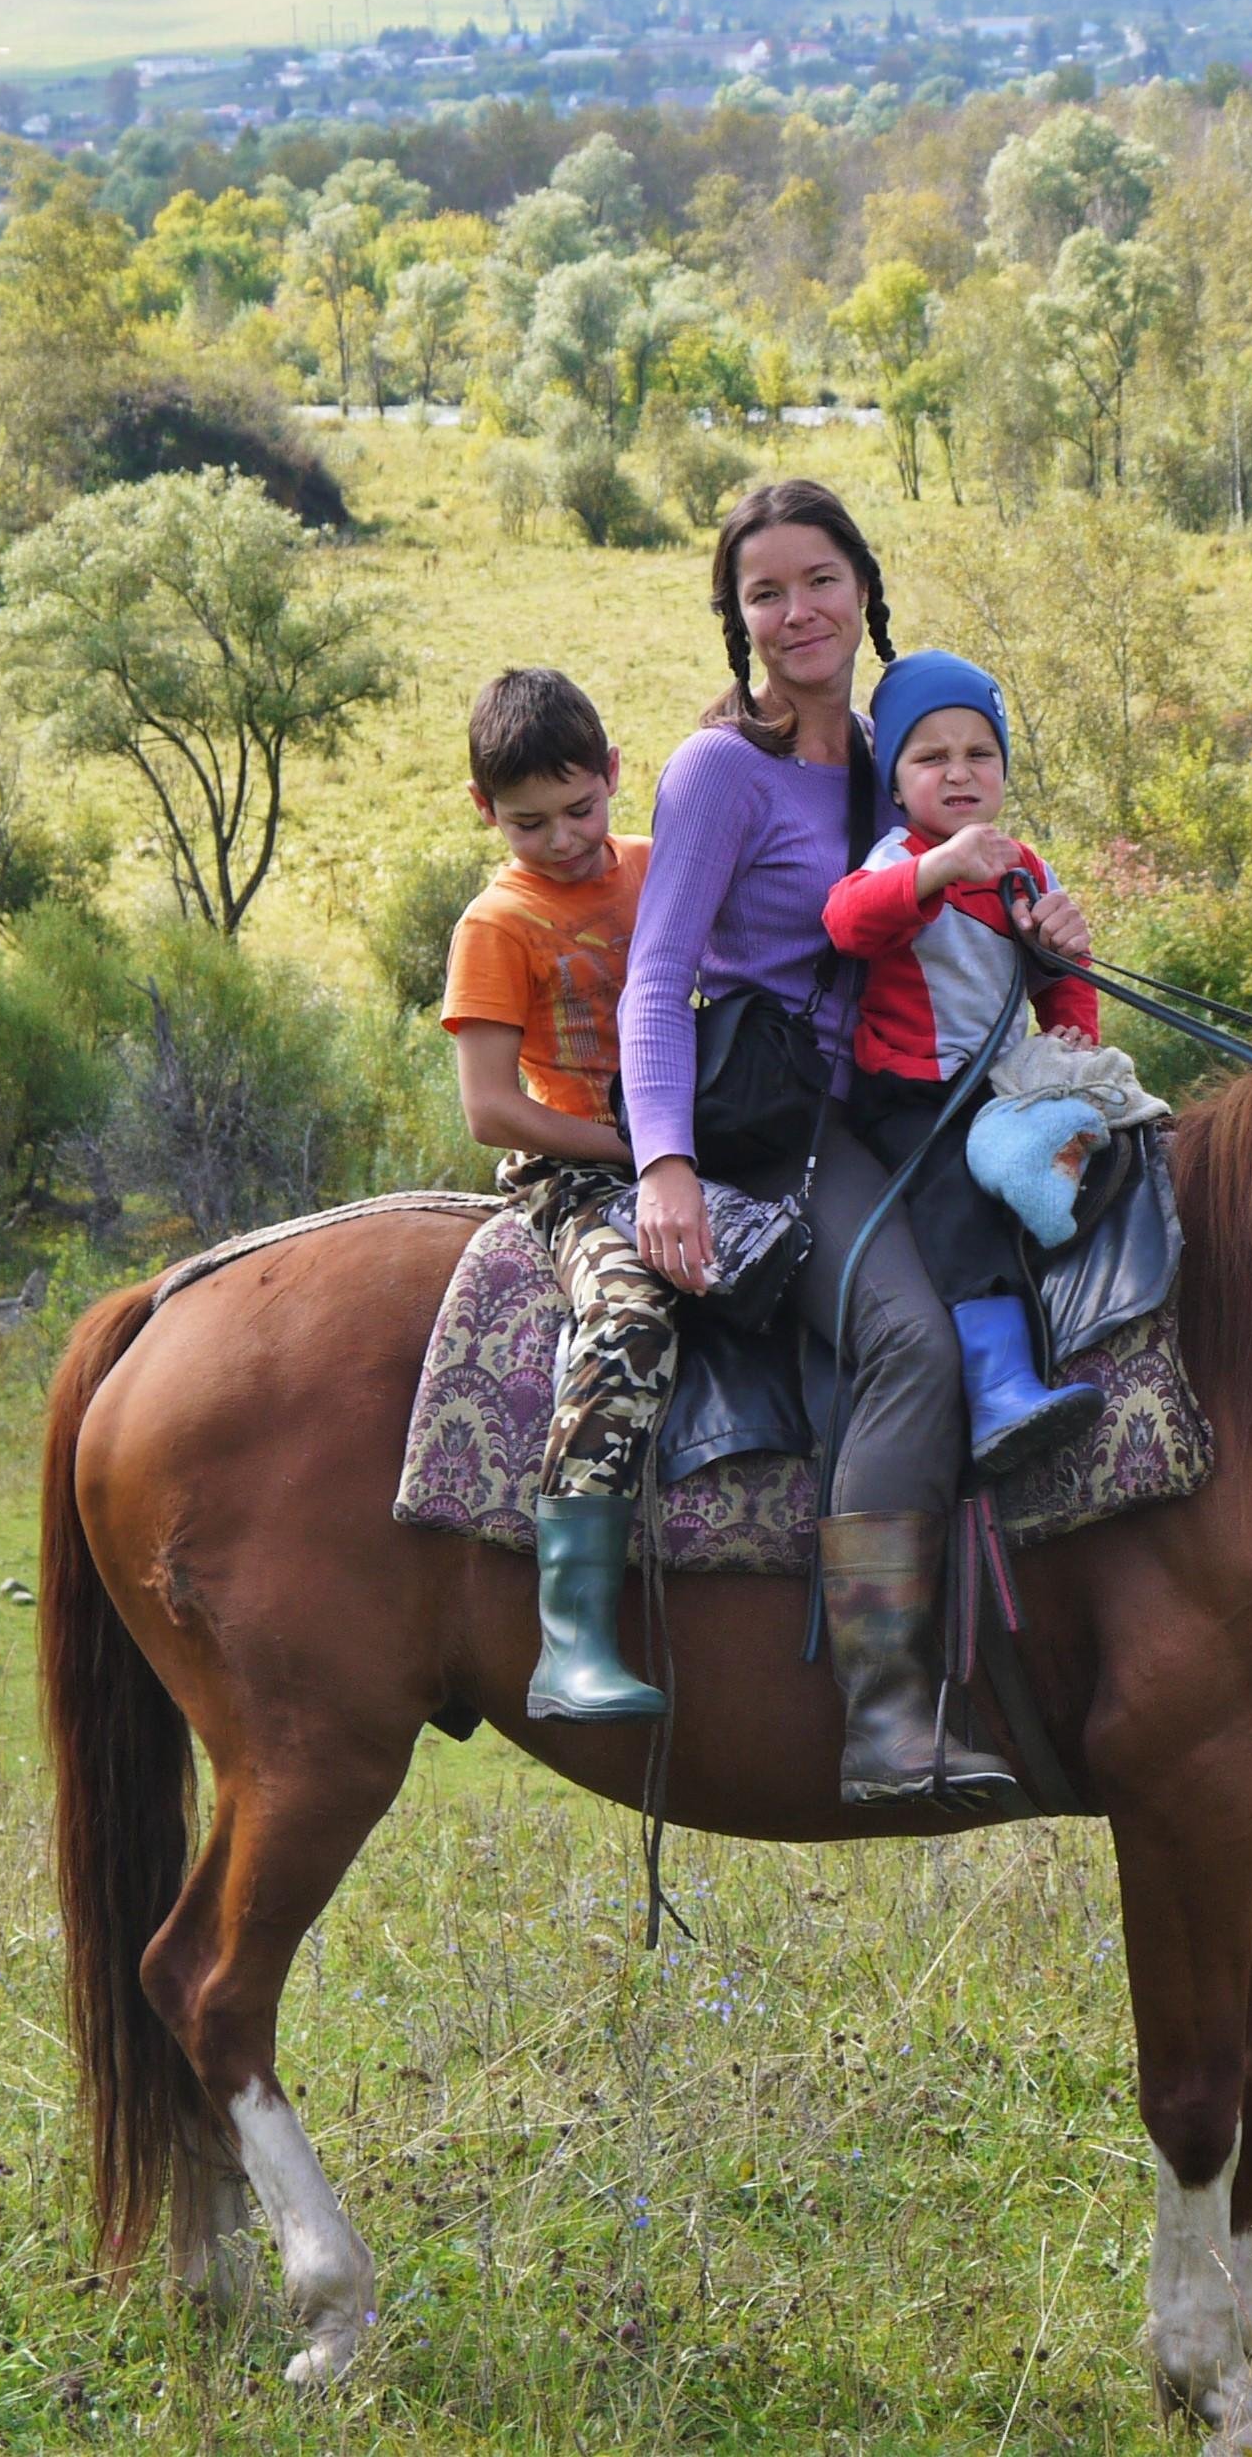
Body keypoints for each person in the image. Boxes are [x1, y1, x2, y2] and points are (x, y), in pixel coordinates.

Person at [622, 481, 1093, 1807]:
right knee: (908, 1339)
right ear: (738, 618)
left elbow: (972, 916)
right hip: (769, 1127)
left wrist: (1054, 952)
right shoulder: (723, 772)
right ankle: (888, 1715)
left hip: (900, 1106)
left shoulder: (906, 753)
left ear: (865, 589)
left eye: (820, 580)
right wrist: (664, 1164)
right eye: (765, 592)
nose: (798, 612)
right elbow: (655, 983)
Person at [439, 667, 672, 1727]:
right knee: (627, 1316)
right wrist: (621, 1144)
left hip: (693, 1141)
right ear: (485, 811)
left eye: (581, 809)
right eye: (531, 823)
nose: (567, 839)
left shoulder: (657, 869)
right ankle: (570, 1631)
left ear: (615, 775)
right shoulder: (499, 922)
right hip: (574, 1162)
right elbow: (490, 1107)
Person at [822, 649, 1108, 1470]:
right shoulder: (896, 858)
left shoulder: (1023, 866)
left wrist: (1070, 1021)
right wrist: (940, 868)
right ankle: (997, 1390)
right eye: (931, 757)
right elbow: (849, 923)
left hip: (1000, 1087)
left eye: (979, 753)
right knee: (959, 1201)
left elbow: (1058, 985)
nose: (958, 773)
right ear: (895, 775)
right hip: (911, 1095)